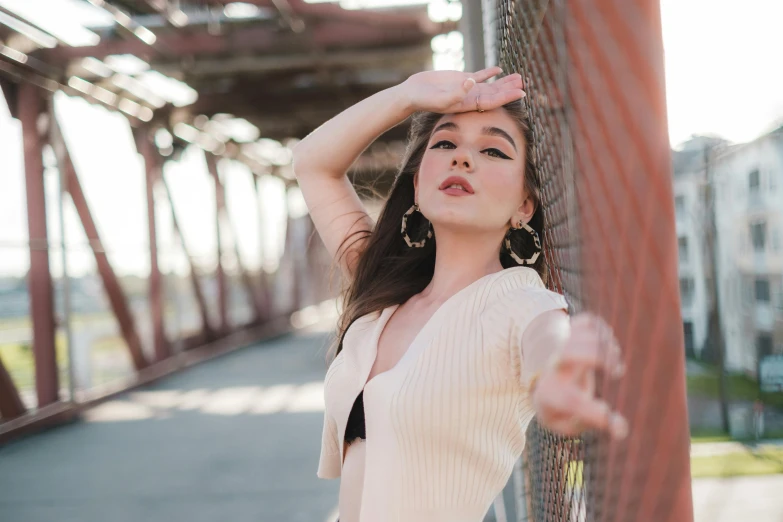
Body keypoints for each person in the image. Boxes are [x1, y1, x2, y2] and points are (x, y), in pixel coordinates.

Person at [292, 66, 628, 522]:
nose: (462, 158)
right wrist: (408, 95)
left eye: (493, 150)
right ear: (416, 183)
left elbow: (548, 342)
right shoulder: (382, 290)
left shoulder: (523, 304)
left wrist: (556, 380)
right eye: (445, 143)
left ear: (523, 205)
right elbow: (312, 162)